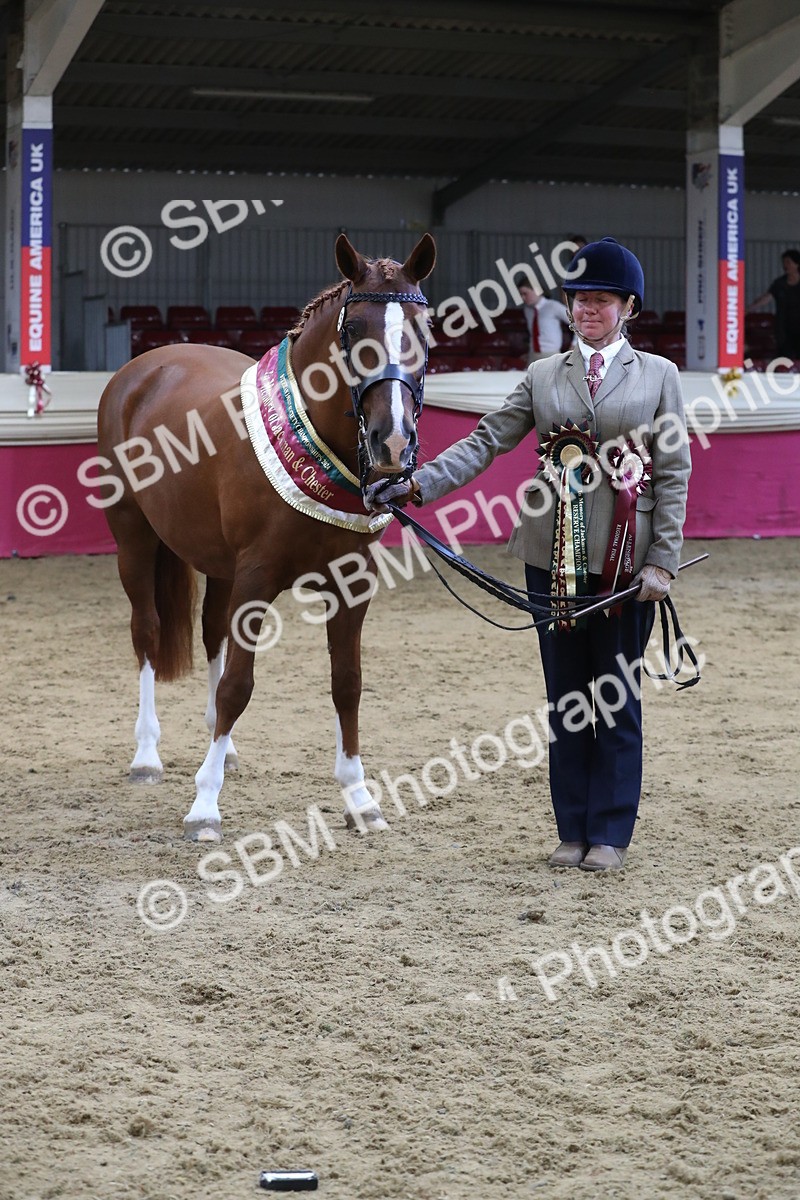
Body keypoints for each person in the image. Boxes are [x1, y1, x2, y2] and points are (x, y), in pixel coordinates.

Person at [367, 238, 691, 873]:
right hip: (550, 557)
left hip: (627, 562)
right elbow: (487, 441)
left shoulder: (660, 376)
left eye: (600, 300)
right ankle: (571, 828)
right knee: (567, 696)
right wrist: (418, 484)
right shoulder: (544, 375)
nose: (587, 310)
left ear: (628, 307)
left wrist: (664, 559)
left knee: (615, 698)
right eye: (579, 300)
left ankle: (610, 834)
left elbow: (673, 471)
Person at [747, 249, 800, 359]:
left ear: (797, 264)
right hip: (783, 328)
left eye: (788, 262)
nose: (785, 266)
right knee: (785, 358)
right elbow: (767, 298)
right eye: (784, 262)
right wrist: (749, 309)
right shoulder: (779, 283)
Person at [519, 283, 571, 362]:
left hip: (551, 354)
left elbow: (577, 323)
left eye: (525, 294)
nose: (523, 298)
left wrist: (574, 345)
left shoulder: (553, 306)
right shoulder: (527, 310)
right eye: (521, 295)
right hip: (533, 354)